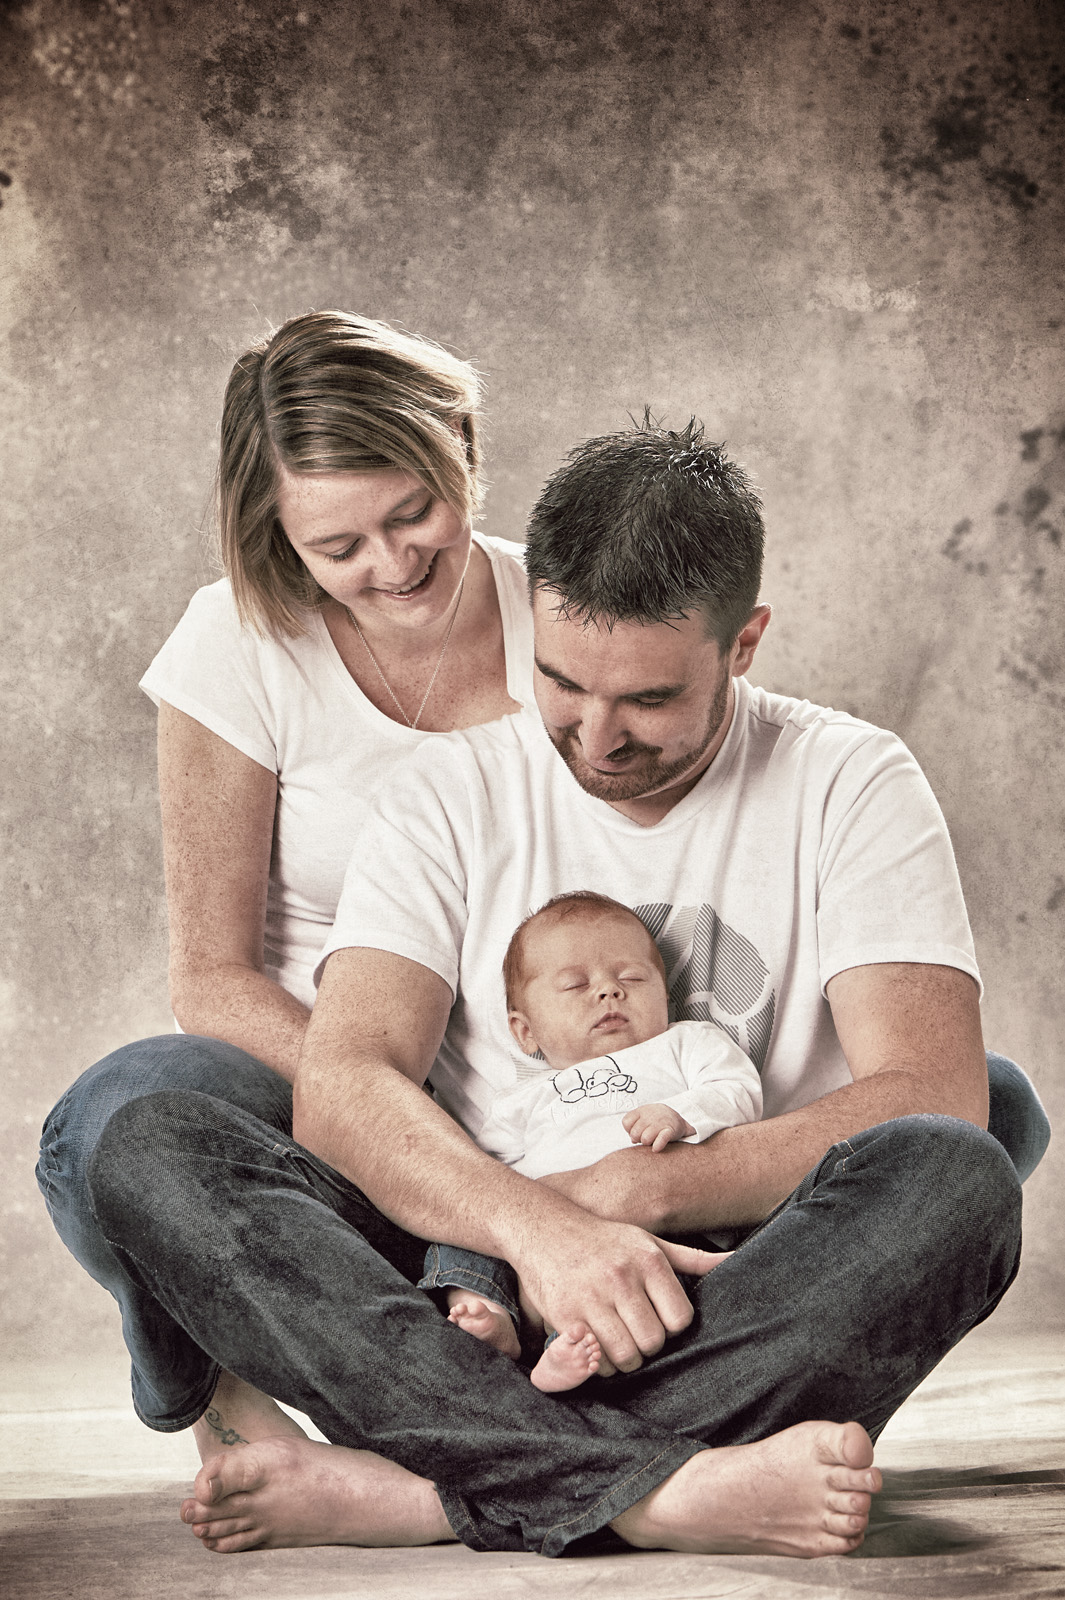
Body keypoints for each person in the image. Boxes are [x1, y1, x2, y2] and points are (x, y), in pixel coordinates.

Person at [41, 414, 1046, 1560]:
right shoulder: (450, 790)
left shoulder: (850, 779)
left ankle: (435, 1490)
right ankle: (658, 1488)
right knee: (152, 1145)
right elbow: (346, 1082)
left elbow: (926, 1085)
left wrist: (632, 1194)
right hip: (474, 1279)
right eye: (563, 683)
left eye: (648, 700)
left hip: (730, 1269)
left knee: (956, 1170)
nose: (597, 738)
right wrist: (540, 1231)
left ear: (745, 643)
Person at [36, 307, 535, 1497]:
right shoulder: (235, 639)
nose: (393, 564)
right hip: (326, 1097)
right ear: (278, 532)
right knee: (106, 1126)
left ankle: (432, 1430)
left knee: (939, 1122)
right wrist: (392, 1111)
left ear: (462, 448)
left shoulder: (571, 611)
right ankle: (229, 1378)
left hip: (543, 1097)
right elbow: (212, 980)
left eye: (413, 512)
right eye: (338, 545)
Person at [421, 889, 762, 1392]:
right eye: (575, 985)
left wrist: (683, 1115)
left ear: (665, 997)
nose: (608, 991)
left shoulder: (684, 1043)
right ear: (525, 1032)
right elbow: (487, 1174)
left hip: (661, 1224)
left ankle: (568, 1347)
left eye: (632, 978)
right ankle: (491, 1313)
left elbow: (738, 1089)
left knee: (672, 1282)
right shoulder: (522, 1100)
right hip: (545, 1231)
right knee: (461, 1232)